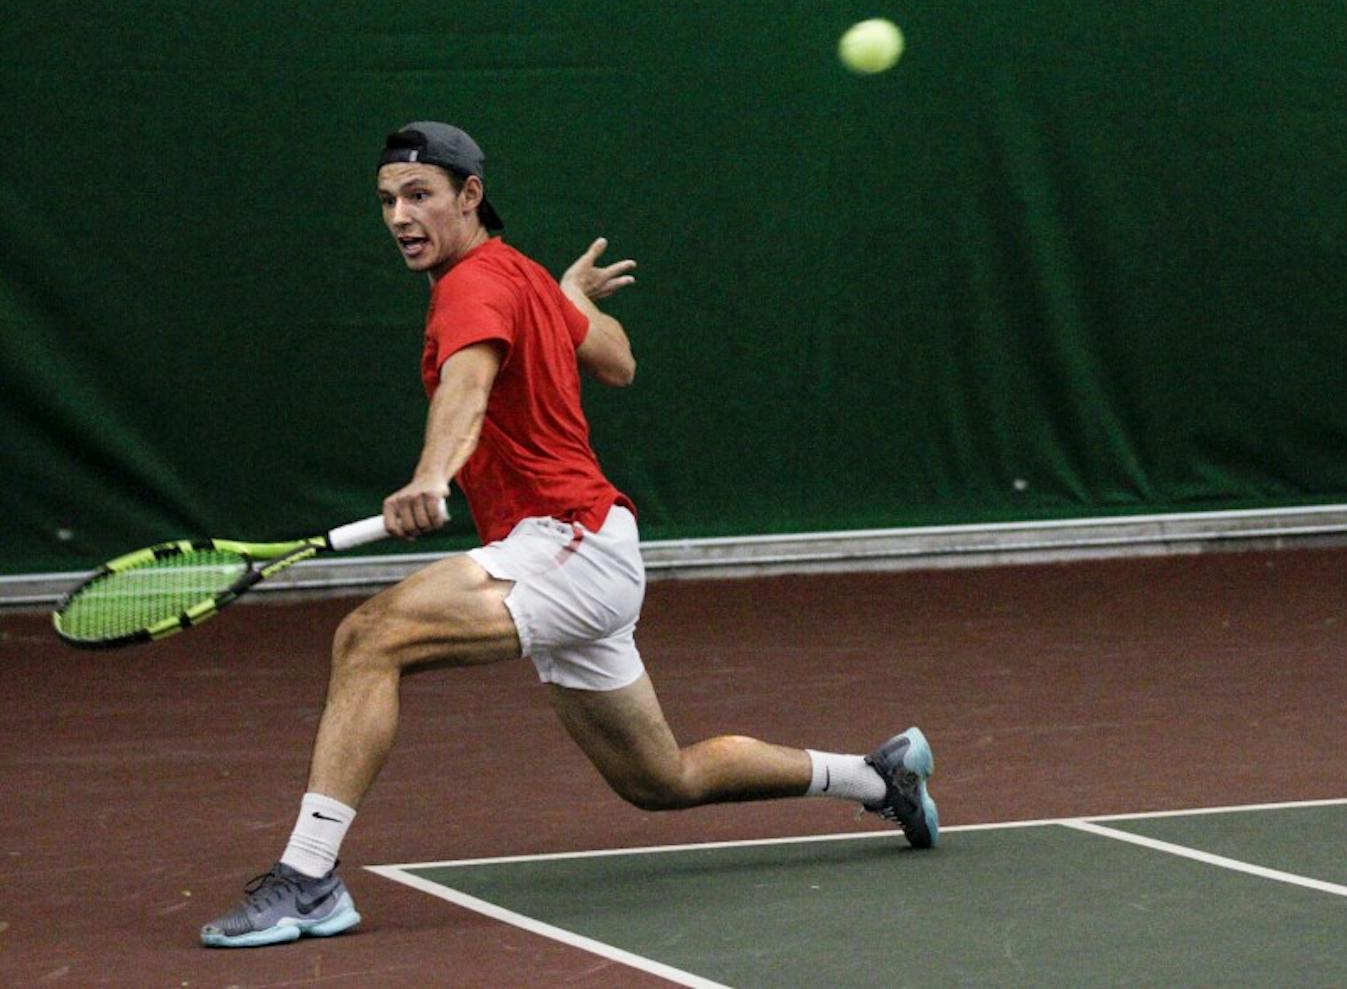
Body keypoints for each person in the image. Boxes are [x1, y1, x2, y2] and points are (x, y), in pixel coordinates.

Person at [200, 121, 938, 948]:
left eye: (419, 196)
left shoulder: (471, 287)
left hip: (565, 542)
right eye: (386, 201)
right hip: (588, 550)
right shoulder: (519, 278)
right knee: (663, 779)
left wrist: (433, 474)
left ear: (469, 195)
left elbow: (467, 386)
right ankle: (878, 777)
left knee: (370, 638)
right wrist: (569, 298)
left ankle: (308, 879)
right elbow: (619, 361)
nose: (400, 216)